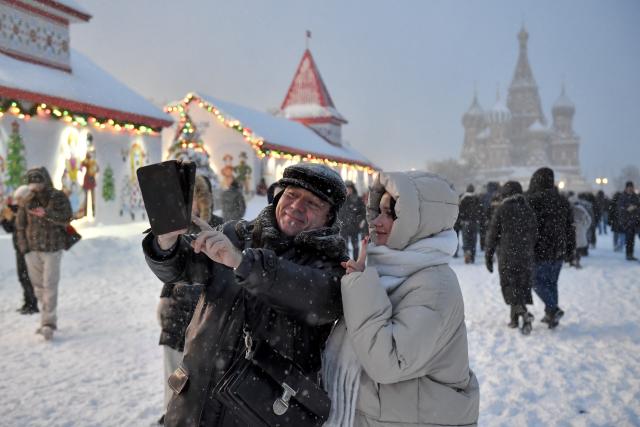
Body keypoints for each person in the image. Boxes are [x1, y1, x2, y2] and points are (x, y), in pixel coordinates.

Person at [142, 163, 348, 426]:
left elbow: (312, 297)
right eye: (292, 195)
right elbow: (183, 267)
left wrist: (242, 262)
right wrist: (167, 243)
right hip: (194, 404)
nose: (297, 206)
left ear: (329, 216)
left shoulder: (333, 267)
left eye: (312, 203)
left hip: (259, 413)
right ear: (278, 196)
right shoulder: (237, 235)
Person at [323, 171, 479, 427]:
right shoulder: (394, 268)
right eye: (379, 211)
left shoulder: (434, 285)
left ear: (420, 222)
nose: (377, 222)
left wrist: (360, 287)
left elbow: (388, 362)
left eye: (392, 214)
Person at [156, 175, 224, 425]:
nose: (189, 203)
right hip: (178, 314)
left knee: (198, 384)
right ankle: (169, 417)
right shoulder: (176, 228)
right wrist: (164, 297)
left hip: (206, 317)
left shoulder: (219, 228)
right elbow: (171, 270)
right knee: (173, 378)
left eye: (194, 197)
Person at [16, 167, 72, 340]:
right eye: (32, 182)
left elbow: (66, 217)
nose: (34, 186)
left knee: (50, 284)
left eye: (37, 182)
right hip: (32, 250)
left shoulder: (57, 196)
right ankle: (45, 315)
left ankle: (48, 322)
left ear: (44, 180)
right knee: (38, 287)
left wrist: (47, 213)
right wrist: (24, 247)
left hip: (52, 249)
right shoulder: (27, 200)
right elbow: (20, 225)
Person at [485, 181, 537, 335]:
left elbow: (492, 234)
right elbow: (534, 233)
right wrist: (528, 247)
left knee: (509, 284)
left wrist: (489, 255)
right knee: (521, 284)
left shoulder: (502, 209)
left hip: (507, 254)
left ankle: (520, 310)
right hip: (525, 255)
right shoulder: (527, 209)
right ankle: (515, 318)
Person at [526, 167, 575, 329]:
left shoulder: (532, 200)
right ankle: (551, 315)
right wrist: (570, 248)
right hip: (558, 248)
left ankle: (553, 309)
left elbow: (529, 228)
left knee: (535, 281)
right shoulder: (562, 201)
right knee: (552, 283)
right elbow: (570, 227)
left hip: (540, 249)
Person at [1, 185, 38, 314]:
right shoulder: (19, 209)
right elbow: (11, 229)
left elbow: (23, 228)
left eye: (19, 198)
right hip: (19, 248)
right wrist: (3, 219)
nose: (17, 201)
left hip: (28, 248)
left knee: (28, 277)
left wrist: (11, 218)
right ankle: (27, 302)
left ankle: (33, 304)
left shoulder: (31, 209)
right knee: (22, 277)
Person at [337, 180, 367, 259]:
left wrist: (360, 221)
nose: (348, 190)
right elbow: (338, 212)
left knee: (355, 246)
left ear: (352, 189)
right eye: (346, 188)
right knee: (344, 246)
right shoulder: (341, 199)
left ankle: (355, 261)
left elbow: (363, 212)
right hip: (344, 227)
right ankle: (346, 262)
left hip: (355, 227)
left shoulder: (357, 199)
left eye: (349, 188)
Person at [458, 184, 483, 263]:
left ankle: (467, 251)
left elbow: (459, 210)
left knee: (465, 239)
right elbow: (481, 210)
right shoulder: (477, 198)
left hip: (465, 223)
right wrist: (479, 219)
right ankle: (472, 255)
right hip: (475, 223)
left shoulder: (463, 198)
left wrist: (460, 220)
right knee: (473, 240)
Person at [617, 181, 640, 261]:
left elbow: (638, 206)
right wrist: (627, 209)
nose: (630, 189)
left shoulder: (635, 197)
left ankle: (631, 254)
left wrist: (635, 208)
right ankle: (629, 254)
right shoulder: (623, 197)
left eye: (631, 187)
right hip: (627, 221)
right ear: (626, 188)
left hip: (636, 221)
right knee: (629, 239)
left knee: (632, 239)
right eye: (629, 187)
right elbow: (620, 209)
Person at [568, 193, 592, 268]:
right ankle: (576, 260)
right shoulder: (581, 209)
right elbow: (589, 220)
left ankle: (572, 260)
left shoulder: (568, 209)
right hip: (580, 230)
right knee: (577, 247)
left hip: (572, 230)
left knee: (572, 247)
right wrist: (584, 227)